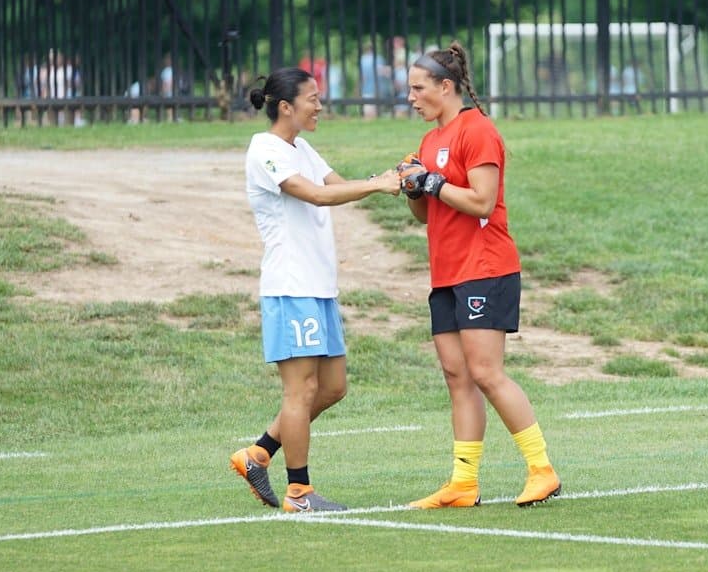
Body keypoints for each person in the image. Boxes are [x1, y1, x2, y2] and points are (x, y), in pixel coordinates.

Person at [397, 40, 561, 509]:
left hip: (485, 269)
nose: (411, 97)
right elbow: (425, 218)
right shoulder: (430, 141)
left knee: (487, 372)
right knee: (457, 375)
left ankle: (542, 470)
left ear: (445, 87)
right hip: (447, 273)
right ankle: (463, 484)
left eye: (418, 88)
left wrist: (433, 182)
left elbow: (482, 201)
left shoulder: (477, 131)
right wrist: (414, 185)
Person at [231, 67, 401, 512]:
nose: (320, 105)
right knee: (300, 391)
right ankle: (299, 492)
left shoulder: (301, 146)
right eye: (312, 98)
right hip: (291, 287)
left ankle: (259, 453)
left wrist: (387, 179)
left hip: (319, 288)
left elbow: (337, 186)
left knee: (333, 387)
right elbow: (315, 196)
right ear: (285, 106)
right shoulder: (265, 150)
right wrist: (377, 185)